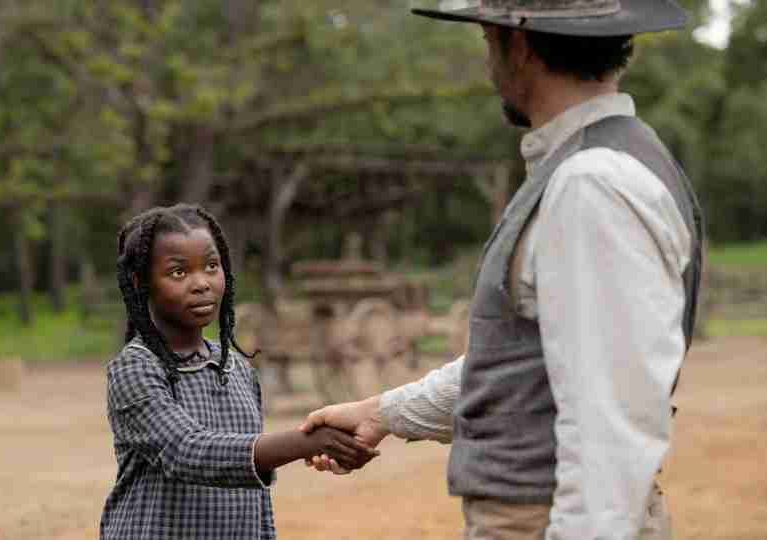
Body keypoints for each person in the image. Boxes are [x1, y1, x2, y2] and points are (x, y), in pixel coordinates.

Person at [301, 1, 705, 539]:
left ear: (514, 44)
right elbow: (528, 365)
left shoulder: (592, 184)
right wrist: (383, 412)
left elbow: (613, 427)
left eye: (487, 40)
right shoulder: (589, 167)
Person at [100, 204, 376, 539]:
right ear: (140, 281)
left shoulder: (236, 368)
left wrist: (320, 445)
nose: (201, 283)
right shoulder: (136, 368)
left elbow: (255, 492)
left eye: (212, 266)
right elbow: (188, 451)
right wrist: (306, 441)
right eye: (178, 272)